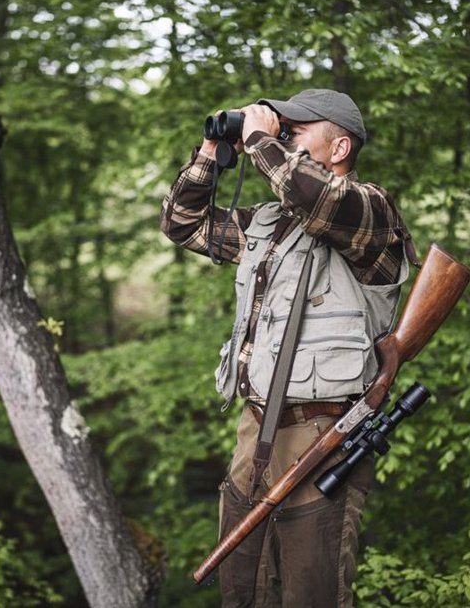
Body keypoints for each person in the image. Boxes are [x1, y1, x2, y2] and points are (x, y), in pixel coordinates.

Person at [160, 89, 414, 607]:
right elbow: (183, 224)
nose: (285, 132)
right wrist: (213, 151)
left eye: (299, 128)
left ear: (340, 146)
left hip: (321, 437)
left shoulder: (369, 212)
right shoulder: (270, 223)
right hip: (255, 432)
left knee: (311, 595)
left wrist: (259, 138)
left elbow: (319, 199)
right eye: (283, 126)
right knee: (243, 592)